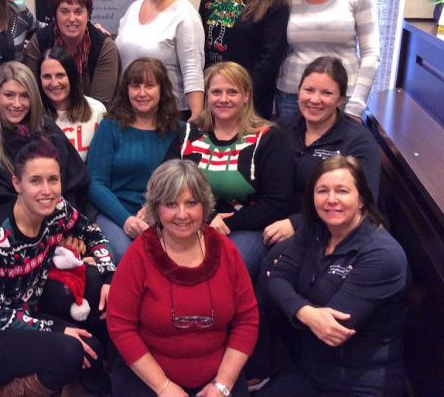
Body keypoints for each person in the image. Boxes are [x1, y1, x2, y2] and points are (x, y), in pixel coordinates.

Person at [0, 136, 115, 395]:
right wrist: (57, 328)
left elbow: (92, 234)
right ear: (17, 183)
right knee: (69, 351)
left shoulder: (56, 209)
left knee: (92, 349)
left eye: (53, 180)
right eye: (35, 181)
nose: (47, 190)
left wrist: (110, 275)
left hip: (21, 314)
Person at [257, 156, 408, 396]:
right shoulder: (315, 228)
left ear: (361, 199)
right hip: (312, 369)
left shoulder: (382, 256)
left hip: (360, 383)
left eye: (342, 191)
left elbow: (331, 330)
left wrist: (290, 302)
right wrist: (305, 312)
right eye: (322, 191)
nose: (331, 200)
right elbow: (274, 278)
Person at [107, 159, 258, 396]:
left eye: (191, 203)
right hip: (149, 381)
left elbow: (247, 320)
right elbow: (121, 326)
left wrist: (222, 384)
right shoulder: (139, 254)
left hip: (219, 381)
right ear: (156, 207)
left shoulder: (225, 250)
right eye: (170, 204)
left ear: (205, 206)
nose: (182, 214)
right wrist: (164, 387)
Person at [171, 61, 293, 279]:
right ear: (207, 95)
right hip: (187, 221)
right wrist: (207, 218)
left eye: (232, 92)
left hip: (245, 228)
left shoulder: (269, 137)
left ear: (246, 95)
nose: (223, 99)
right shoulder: (189, 133)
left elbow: (276, 202)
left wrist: (227, 222)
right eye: (216, 92)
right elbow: (168, 184)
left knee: (227, 265)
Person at [263, 56, 380, 246]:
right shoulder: (283, 127)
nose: (315, 100)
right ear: (298, 92)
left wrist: (297, 223)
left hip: (329, 232)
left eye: (326, 93)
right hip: (273, 223)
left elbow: (364, 203)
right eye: (308, 90)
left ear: (340, 99)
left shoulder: (358, 142)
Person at [0, 61, 89, 218]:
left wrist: (72, 226)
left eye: (24, 96)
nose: (17, 104)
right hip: (9, 229)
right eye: (9, 95)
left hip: (63, 220)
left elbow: (76, 182)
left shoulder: (48, 129)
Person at [87, 58, 181, 263]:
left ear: (162, 89)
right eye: (135, 86)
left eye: (149, 86)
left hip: (164, 212)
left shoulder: (178, 131)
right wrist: (125, 219)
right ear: (126, 90)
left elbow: (184, 182)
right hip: (115, 213)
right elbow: (95, 183)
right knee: (126, 255)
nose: (141, 93)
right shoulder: (110, 127)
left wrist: (154, 209)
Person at [116, 0, 205, 120]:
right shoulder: (133, 8)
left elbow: (192, 69)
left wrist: (197, 114)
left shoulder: (184, 14)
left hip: (169, 114)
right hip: (130, 110)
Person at [25, 0, 119, 106]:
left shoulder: (104, 47)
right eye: (64, 11)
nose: (72, 18)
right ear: (55, 14)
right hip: (47, 117)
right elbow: (33, 94)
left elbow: (100, 105)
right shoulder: (39, 42)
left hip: (90, 120)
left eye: (78, 11)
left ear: (88, 14)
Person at [37, 47, 107, 161]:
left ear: (72, 76)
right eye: (47, 76)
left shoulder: (97, 111)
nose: (54, 83)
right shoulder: (34, 114)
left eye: (60, 75)